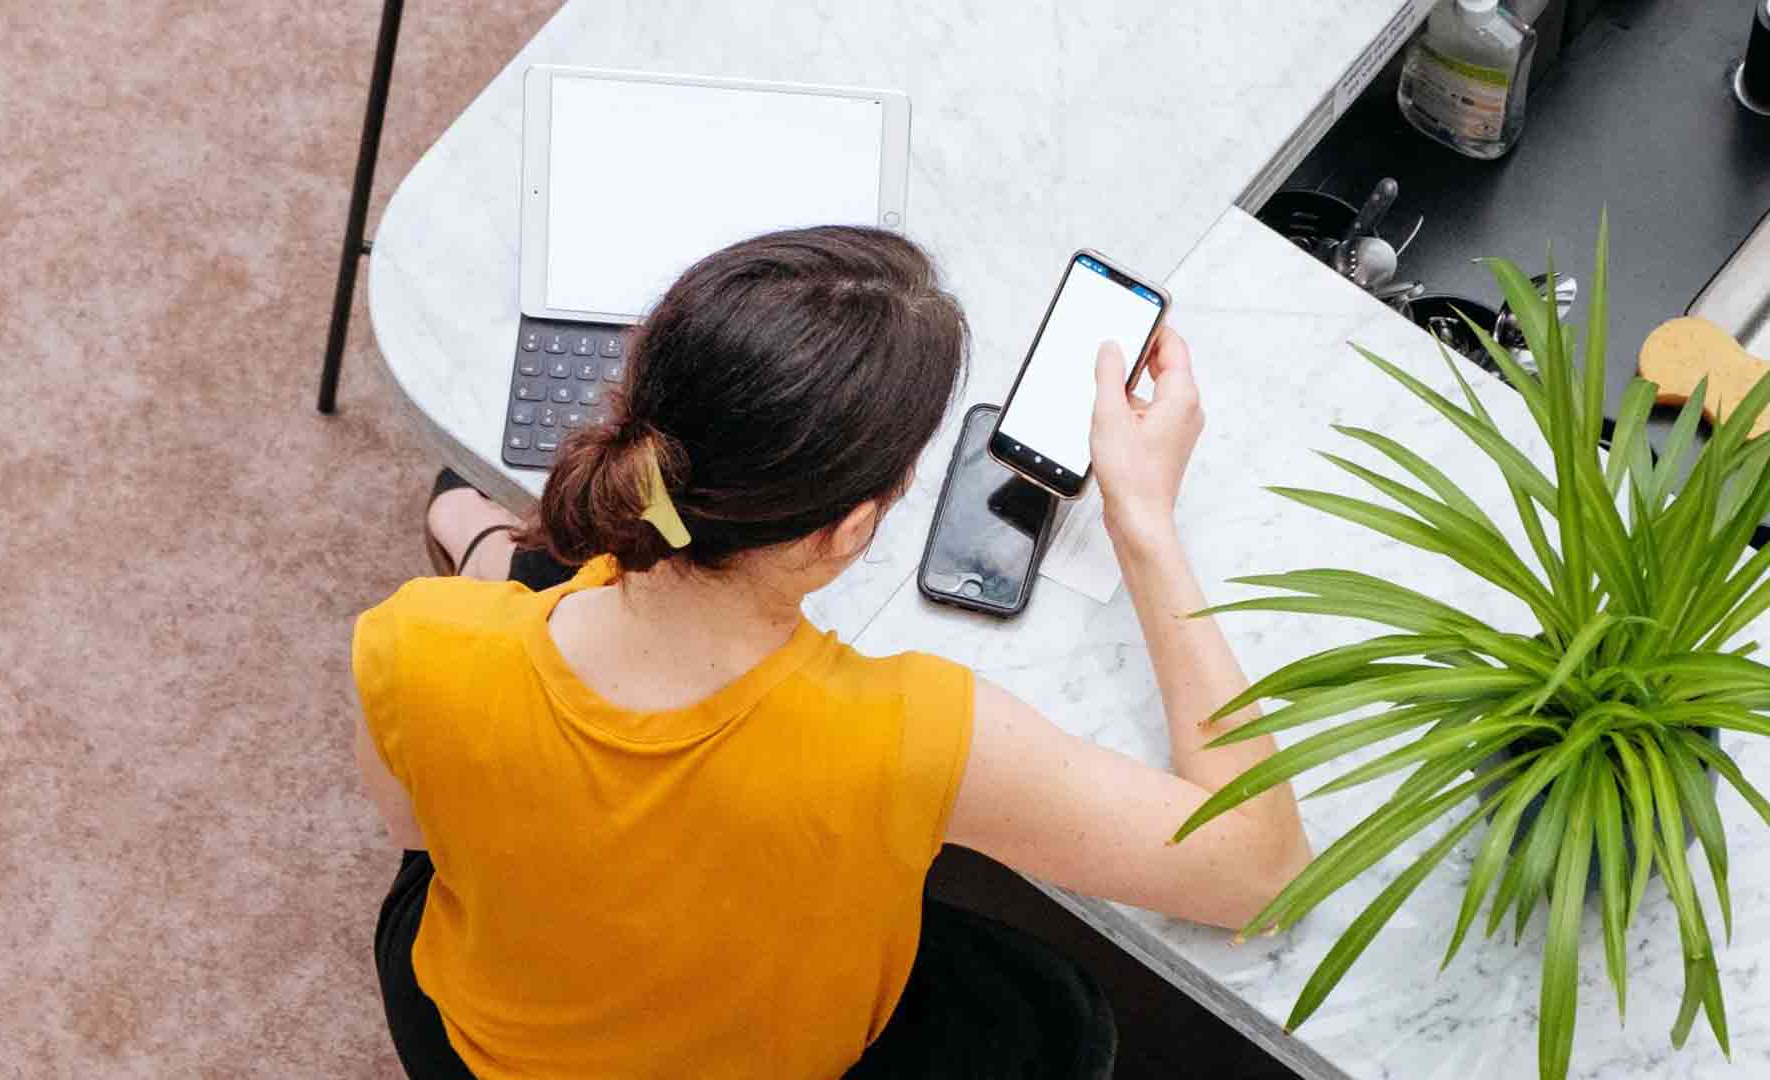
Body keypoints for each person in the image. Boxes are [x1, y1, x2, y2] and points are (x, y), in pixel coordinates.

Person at [352, 227, 1312, 1079]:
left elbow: (420, 842)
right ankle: (490, 541)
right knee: (1048, 1011)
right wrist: (1144, 520)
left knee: (520, 596)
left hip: (470, 1045)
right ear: (849, 529)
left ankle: (482, 539)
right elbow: (1260, 878)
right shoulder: (912, 735)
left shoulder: (410, 640)